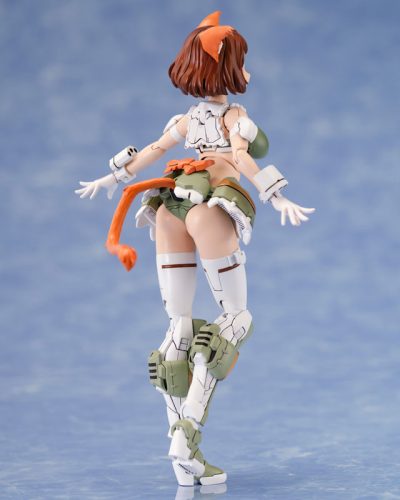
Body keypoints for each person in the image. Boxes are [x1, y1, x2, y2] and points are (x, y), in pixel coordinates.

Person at [75, 11, 314, 487]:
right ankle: (186, 436)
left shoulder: (186, 120)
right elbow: (244, 158)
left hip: (169, 208)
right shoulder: (234, 118)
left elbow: (152, 150)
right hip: (209, 208)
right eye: (241, 63)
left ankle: (185, 461)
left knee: (178, 329)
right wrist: (278, 196)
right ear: (227, 68)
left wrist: (112, 176)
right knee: (234, 322)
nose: (247, 72)